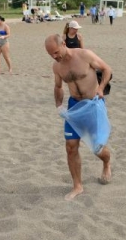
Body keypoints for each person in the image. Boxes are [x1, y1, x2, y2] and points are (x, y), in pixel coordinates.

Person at [44, 34, 113, 200]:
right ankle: (77, 186)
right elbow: (58, 86)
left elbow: (106, 69)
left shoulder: (84, 55)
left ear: (64, 44)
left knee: (98, 148)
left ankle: (106, 163)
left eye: (55, 52)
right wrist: (59, 105)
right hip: (74, 106)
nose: (54, 56)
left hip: (93, 105)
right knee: (70, 146)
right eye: (50, 55)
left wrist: (101, 88)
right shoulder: (57, 67)